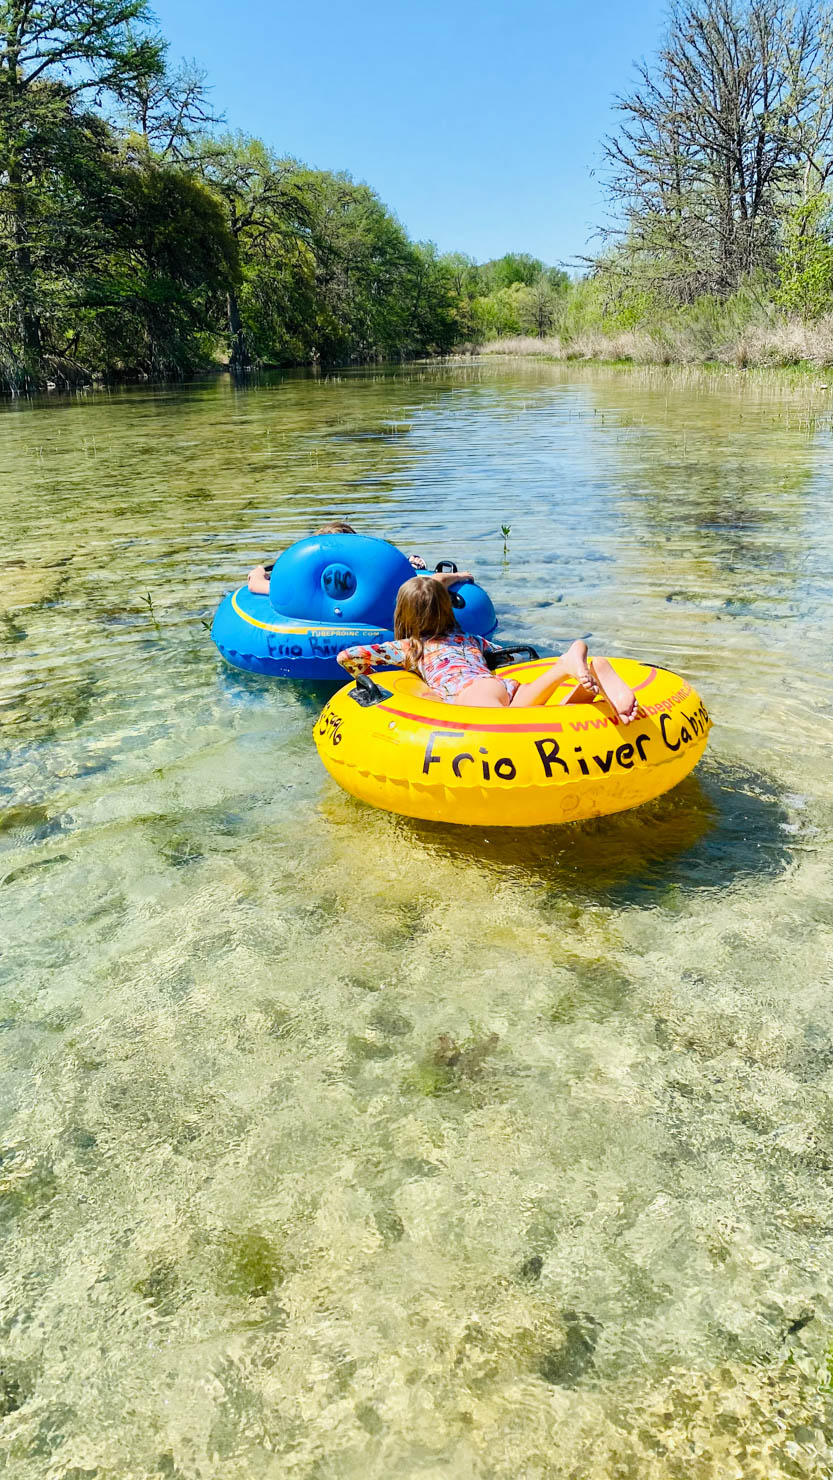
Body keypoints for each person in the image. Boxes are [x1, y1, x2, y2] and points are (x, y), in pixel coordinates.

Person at [337, 576, 639, 720]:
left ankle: (566, 665)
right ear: (447, 610)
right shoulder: (470, 639)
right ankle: (576, 669)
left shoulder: (408, 647)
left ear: (402, 615)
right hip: (500, 685)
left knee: (508, 728)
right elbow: (505, 656)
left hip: (469, 693)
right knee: (541, 716)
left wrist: (370, 675)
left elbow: (346, 656)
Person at [246, 522, 460, 595]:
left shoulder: (300, 590)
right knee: (409, 570)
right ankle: (412, 564)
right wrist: (459, 576)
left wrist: (259, 572)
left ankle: (411, 563)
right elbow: (424, 585)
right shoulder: (378, 586)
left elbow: (256, 585)